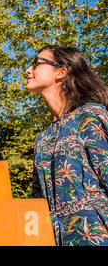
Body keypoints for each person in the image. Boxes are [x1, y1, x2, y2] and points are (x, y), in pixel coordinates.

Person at [26, 45, 108, 246]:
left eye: (36, 64)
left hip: (97, 235)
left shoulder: (90, 116)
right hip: (54, 238)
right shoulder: (42, 139)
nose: (28, 71)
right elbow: (37, 202)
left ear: (61, 72)